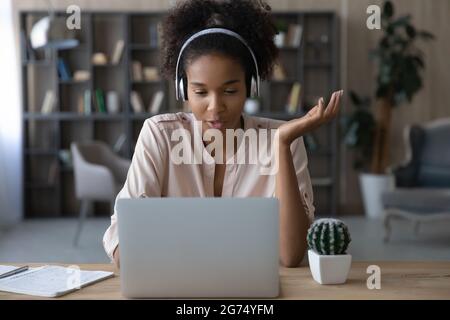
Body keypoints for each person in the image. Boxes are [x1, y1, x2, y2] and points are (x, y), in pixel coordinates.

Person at [103, 0, 342, 268]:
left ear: (251, 86)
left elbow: (290, 254)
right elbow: (122, 245)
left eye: (229, 91)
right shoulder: (159, 135)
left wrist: (283, 144)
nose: (215, 107)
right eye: (201, 92)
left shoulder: (283, 139)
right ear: (183, 90)